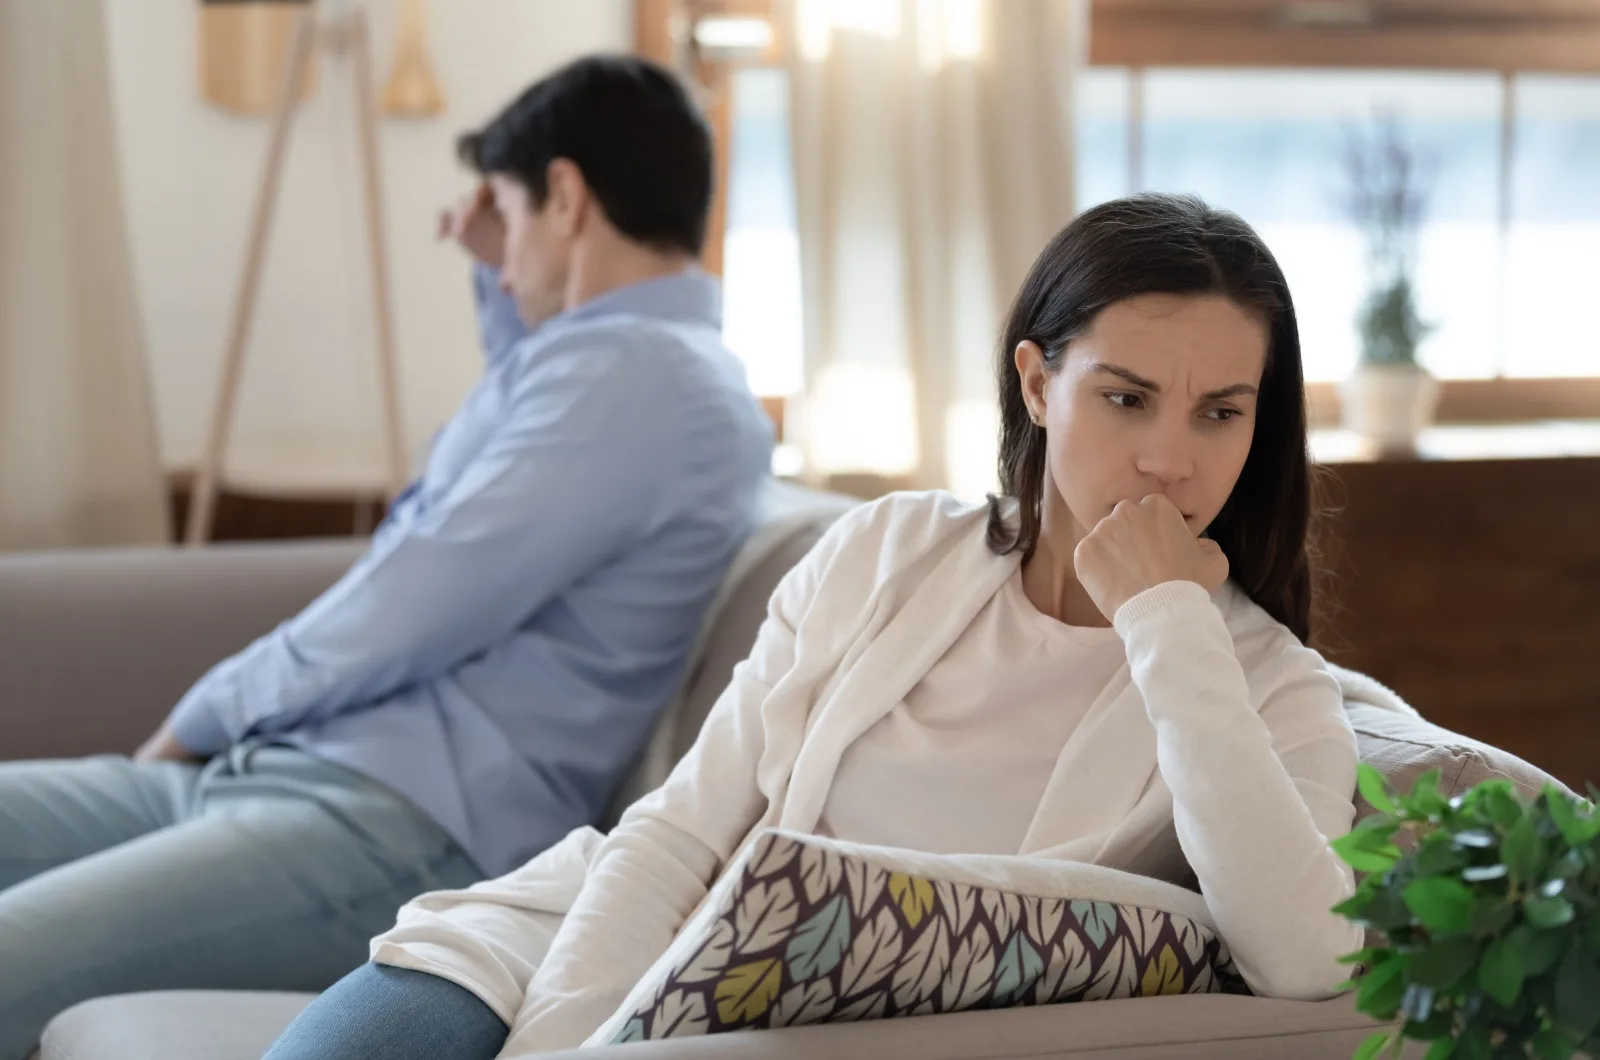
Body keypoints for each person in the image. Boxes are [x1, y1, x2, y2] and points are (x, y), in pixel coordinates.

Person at [263, 192, 1366, 1060]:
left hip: (789, 1029)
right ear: (1037, 384)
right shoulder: (887, 550)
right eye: (1125, 398)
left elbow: (1305, 954)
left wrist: (1170, 618)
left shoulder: (1268, 686)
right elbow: (680, 832)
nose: (1171, 458)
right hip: (590, 940)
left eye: (1220, 412)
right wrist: (566, 1042)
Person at [0, 54, 773, 1059]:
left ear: (567, 196)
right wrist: (500, 279)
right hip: (302, 774)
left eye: (506, 206)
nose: (499, 256)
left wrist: (202, 713)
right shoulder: (603, 370)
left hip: (397, 824)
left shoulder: (651, 383)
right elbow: (512, 426)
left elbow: (418, 595)